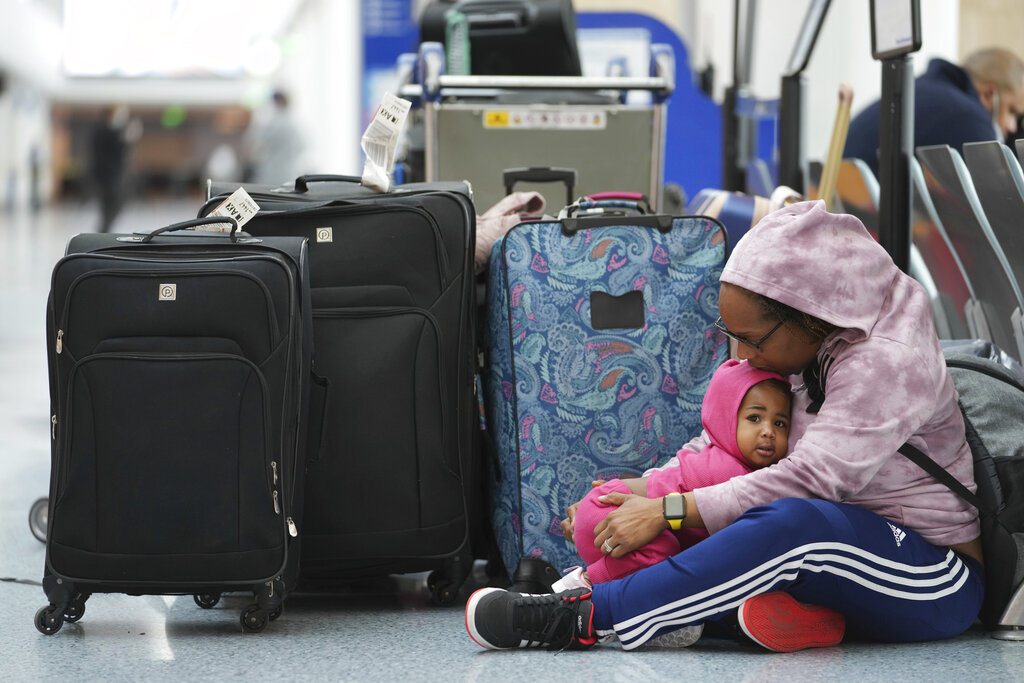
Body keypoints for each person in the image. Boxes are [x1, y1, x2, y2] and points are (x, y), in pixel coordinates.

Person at [464, 199, 983, 654]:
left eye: (753, 339)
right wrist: (640, 490)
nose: (743, 354)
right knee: (728, 514)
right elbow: (717, 444)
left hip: (930, 573)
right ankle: (755, 616)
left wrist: (668, 511)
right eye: (730, 335)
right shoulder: (812, 339)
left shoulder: (886, 362)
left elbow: (811, 482)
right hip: (839, 557)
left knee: (795, 526)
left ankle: (582, 617)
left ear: (810, 316)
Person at [555, 359, 791, 591]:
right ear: (726, 420)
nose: (768, 432)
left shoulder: (725, 459)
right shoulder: (727, 470)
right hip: (611, 511)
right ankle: (586, 583)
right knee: (665, 554)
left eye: (780, 423)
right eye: (754, 418)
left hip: (603, 507)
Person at [844, 47, 1024, 176]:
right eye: (1012, 111)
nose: (1012, 126)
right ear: (988, 95)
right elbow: (996, 210)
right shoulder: (969, 117)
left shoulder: (925, 91)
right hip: (864, 221)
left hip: (839, 208)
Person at [91, 105, 141, 232]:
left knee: (110, 206)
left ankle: (104, 230)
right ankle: (103, 230)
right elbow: (116, 150)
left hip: (109, 175)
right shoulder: (104, 132)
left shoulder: (108, 132)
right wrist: (128, 139)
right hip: (108, 176)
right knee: (113, 204)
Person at [246, 90, 304, 185]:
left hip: (270, 176)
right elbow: (302, 148)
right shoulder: (296, 125)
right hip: (289, 174)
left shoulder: (271, 123)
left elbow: (254, 145)